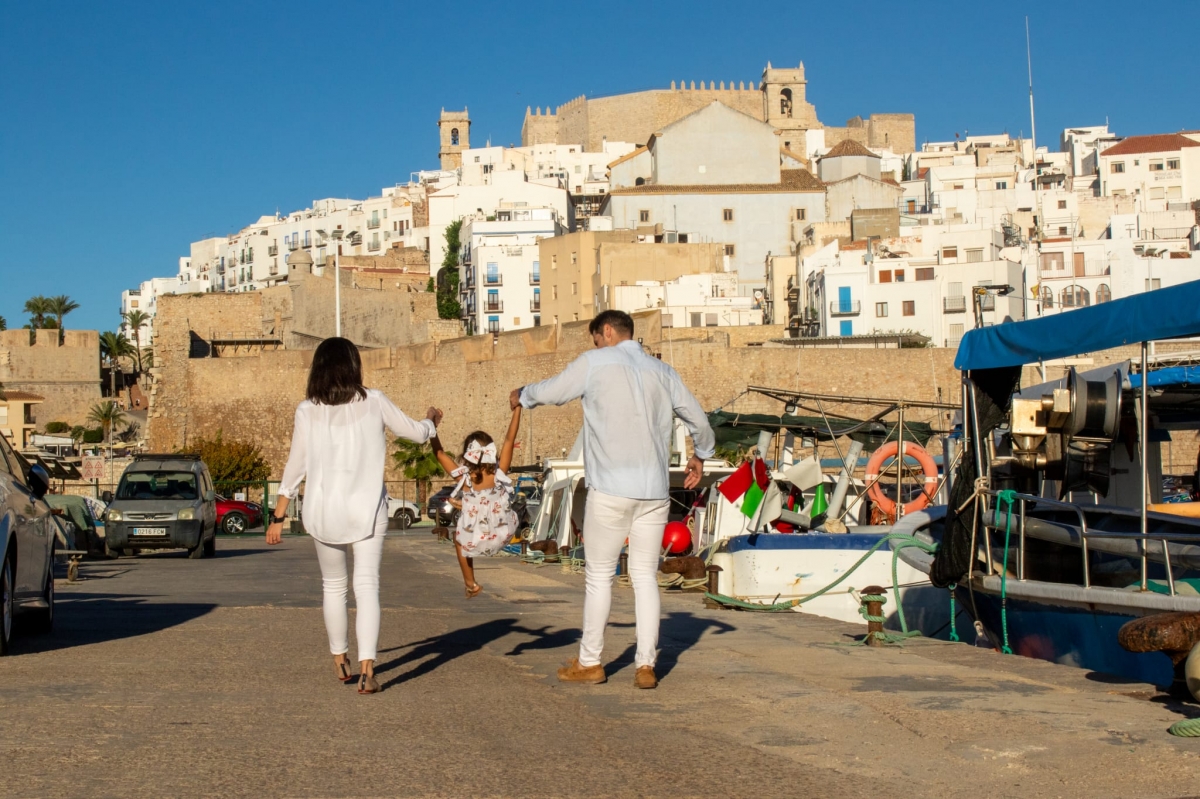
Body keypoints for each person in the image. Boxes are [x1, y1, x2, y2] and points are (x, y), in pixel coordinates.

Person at [512, 310, 715, 689]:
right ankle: (645, 666)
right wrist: (700, 454)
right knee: (644, 577)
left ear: (605, 331)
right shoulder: (663, 372)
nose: (595, 344)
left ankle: (590, 662)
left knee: (599, 578)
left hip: (609, 491)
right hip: (654, 493)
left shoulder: (595, 362)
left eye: (595, 338)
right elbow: (699, 422)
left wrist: (522, 395)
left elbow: (553, 391)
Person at [267, 337, 442, 695]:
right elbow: (415, 432)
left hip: (323, 508)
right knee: (367, 586)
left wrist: (278, 515)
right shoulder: (373, 401)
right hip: (367, 508)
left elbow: (295, 465)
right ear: (353, 366)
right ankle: (367, 670)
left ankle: (339, 659)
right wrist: (432, 420)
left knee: (333, 586)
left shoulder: (307, 410)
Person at [430, 405, 522, 597]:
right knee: (463, 535)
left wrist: (431, 424)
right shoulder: (499, 472)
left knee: (459, 539)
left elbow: (439, 453)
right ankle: (470, 584)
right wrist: (518, 408)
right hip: (503, 532)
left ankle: (470, 583)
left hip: (477, 537)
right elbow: (509, 439)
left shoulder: (464, 478)